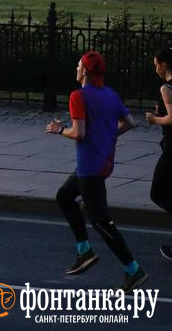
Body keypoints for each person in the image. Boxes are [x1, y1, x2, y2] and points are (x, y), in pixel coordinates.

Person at [46, 51, 148, 291]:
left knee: (101, 222)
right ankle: (84, 251)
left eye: (79, 65)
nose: (76, 67)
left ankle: (134, 270)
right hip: (100, 162)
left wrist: (59, 129)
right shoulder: (111, 95)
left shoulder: (78, 96)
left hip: (90, 167)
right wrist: (108, 135)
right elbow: (130, 123)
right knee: (64, 196)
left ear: (85, 72)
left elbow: (79, 133)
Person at [142, 46, 172, 262]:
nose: (156, 70)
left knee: (157, 192)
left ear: (164, 64)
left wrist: (154, 119)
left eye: (156, 65)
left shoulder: (166, 88)